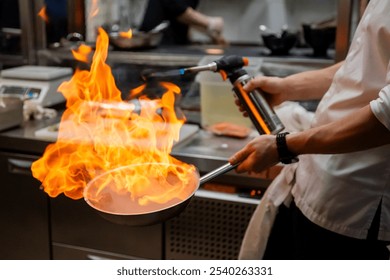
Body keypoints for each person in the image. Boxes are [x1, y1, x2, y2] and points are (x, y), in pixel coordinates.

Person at [231, 0, 390, 260]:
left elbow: (386, 116)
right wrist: (287, 88)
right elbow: (365, 64)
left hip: (357, 208)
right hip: (319, 184)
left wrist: (283, 145)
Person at [139, 0, 226, 45]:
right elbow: (176, 8)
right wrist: (210, 23)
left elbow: (182, 17)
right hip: (159, 43)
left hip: (170, 42)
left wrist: (210, 32)